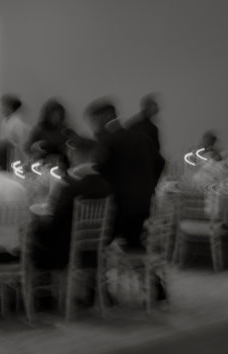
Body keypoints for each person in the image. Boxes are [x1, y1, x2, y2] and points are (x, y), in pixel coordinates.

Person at [86, 98, 164, 249]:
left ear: (107, 117)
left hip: (116, 213)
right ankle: (137, 263)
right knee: (133, 241)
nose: (93, 127)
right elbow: (161, 163)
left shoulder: (108, 141)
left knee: (81, 233)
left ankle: (93, 269)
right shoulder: (141, 138)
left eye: (95, 121)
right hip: (143, 209)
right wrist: (149, 186)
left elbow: (96, 172)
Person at [32, 137, 113, 273]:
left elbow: (56, 221)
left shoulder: (69, 185)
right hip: (96, 249)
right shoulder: (106, 186)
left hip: (66, 249)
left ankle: (42, 289)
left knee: (32, 233)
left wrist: (38, 219)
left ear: (73, 154)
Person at [28, 98, 74, 169]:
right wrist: (36, 148)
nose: (57, 118)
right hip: (41, 162)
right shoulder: (39, 129)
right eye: (54, 116)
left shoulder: (64, 129)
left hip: (59, 163)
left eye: (59, 115)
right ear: (48, 116)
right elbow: (29, 147)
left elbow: (68, 149)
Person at [0, 94, 32, 167]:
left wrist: (10, 143)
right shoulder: (4, 121)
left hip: (16, 156)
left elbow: (21, 143)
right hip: (5, 154)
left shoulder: (18, 123)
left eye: (4, 105)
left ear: (10, 107)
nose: (2, 108)